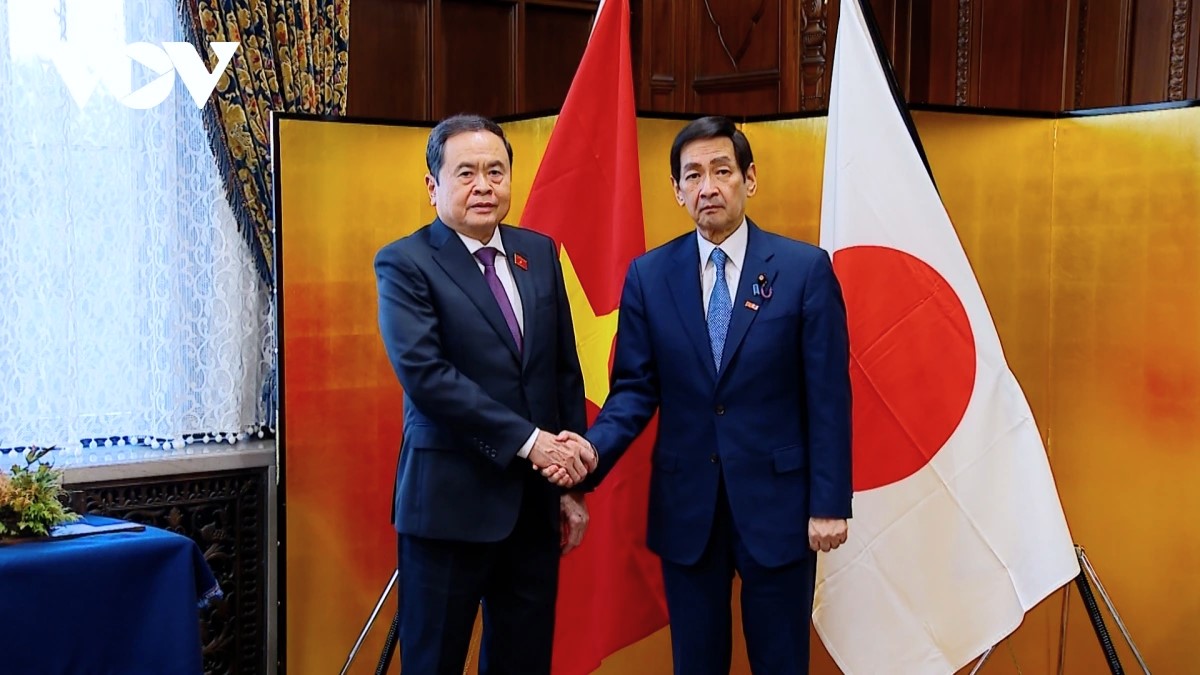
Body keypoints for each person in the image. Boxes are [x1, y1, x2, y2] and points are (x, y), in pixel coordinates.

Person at [549, 115, 853, 674]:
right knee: (696, 663)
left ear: (749, 178)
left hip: (780, 507)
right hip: (688, 507)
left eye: (721, 170)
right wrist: (589, 454)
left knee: (781, 662)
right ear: (677, 189)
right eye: (693, 175)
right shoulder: (649, 276)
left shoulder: (803, 270)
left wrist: (829, 503)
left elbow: (829, 396)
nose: (707, 186)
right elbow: (634, 390)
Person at [374, 113, 596, 675]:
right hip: (448, 507)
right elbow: (427, 377)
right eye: (466, 172)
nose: (483, 186)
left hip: (532, 509)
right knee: (434, 663)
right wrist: (532, 443)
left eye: (495, 171)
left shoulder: (537, 252)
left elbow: (563, 372)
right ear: (433, 186)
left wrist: (570, 484)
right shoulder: (405, 262)